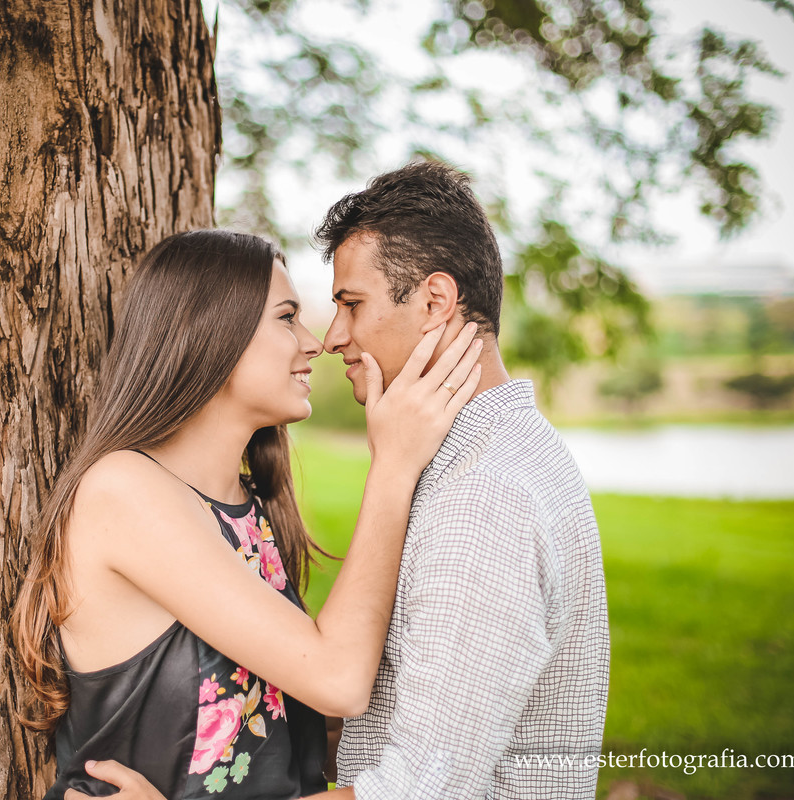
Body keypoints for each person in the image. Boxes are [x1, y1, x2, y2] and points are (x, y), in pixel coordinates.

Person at [75, 161, 610, 800]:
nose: (328, 339)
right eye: (293, 316)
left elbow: (416, 788)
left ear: (435, 302)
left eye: (351, 304)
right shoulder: (480, 469)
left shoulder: (482, 498)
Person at [12, 228, 485, 799]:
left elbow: (277, 727)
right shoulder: (125, 491)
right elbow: (337, 679)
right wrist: (394, 464)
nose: (314, 343)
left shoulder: (244, 506)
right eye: (287, 317)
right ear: (209, 331)